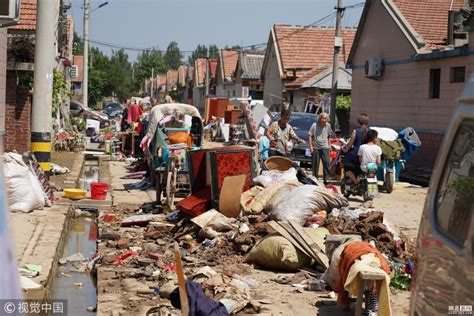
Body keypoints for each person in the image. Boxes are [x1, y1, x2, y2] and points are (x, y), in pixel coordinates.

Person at [343, 113, 370, 184]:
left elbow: (350, 144)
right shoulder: (370, 132)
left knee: (347, 166)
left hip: (356, 154)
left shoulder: (355, 131)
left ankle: (355, 181)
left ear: (359, 121)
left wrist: (346, 147)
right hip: (367, 154)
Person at [308, 112, 334, 184]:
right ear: (320, 118)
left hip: (325, 147)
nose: (324, 120)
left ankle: (326, 179)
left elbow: (329, 136)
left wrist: (330, 145)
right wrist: (311, 146)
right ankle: (315, 179)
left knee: (326, 163)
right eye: (323, 118)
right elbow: (310, 135)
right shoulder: (314, 125)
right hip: (316, 147)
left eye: (326, 118)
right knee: (315, 164)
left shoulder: (328, 125)